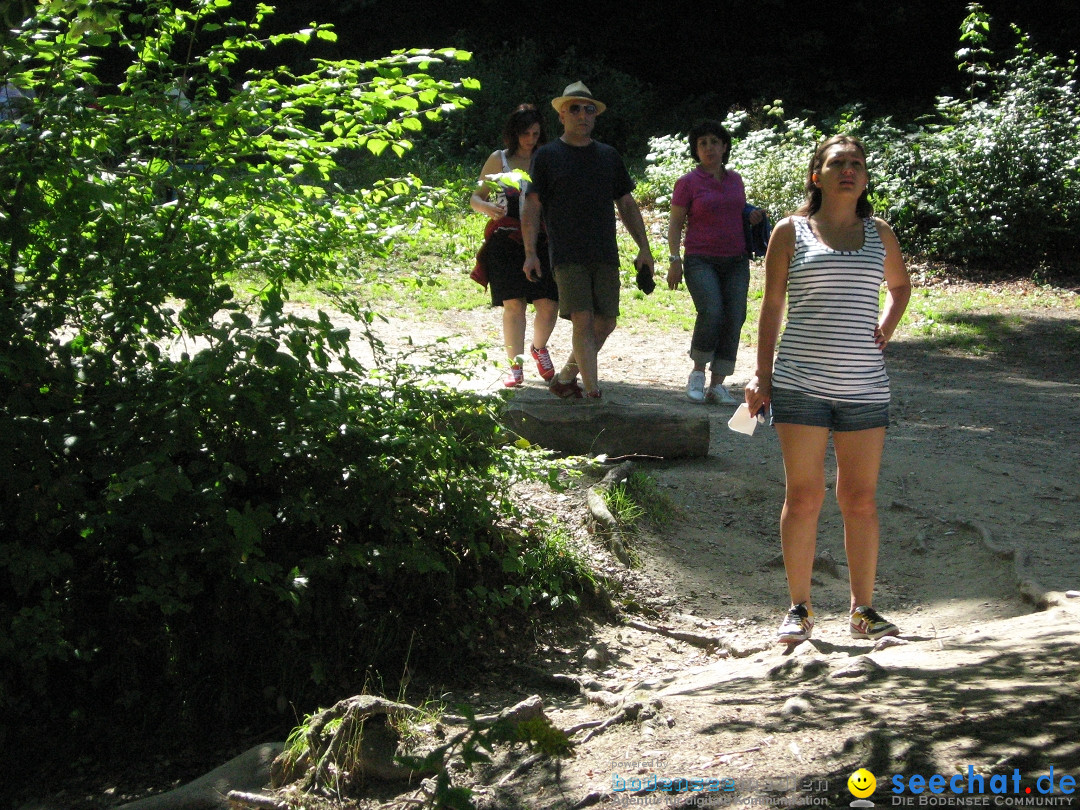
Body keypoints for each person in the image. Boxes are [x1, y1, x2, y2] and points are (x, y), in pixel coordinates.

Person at [744, 134, 911, 645]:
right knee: (805, 495)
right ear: (817, 175)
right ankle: (799, 608)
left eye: (856, 163)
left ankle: (864, 611)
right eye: (837, 163)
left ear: (865, 177)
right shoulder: (790, 232)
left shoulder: (879, 232)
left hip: (865, 387)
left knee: (860, 499)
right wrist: (762, 374)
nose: (848, 170)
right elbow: (772, 306)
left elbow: (900, 287)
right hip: (800, 384)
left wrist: (886, 326)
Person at [521, 81, 654, 400]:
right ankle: (593, 392)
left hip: (605, 253)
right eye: (575, 108)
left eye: (589, 109)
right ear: (562, 115)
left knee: (606, 321)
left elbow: (626, 203)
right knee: (582, 317)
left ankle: (566, 376)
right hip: (566, 254)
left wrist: (645, 247)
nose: (583, 114)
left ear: (595, 116)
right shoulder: (548, 156)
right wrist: (529, 252)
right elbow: (532, 204)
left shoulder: (608, 156)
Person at [666, 120, 767, 405]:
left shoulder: (735, 179)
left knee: (735, 316)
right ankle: (697, 373)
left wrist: (751, 214)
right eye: (703, 143)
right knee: (712, 311)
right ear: (696, 151)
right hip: (700, 259)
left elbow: (735, 210)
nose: (709, 147)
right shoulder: (687, 183)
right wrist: (674, 260)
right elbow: (675, 224)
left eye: (714, 142)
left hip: (736, 260)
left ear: (724, 147)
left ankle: (718, 383)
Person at [470, 104, 560, 387]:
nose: (530, 139)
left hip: (542, 238)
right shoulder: (499, 159)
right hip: (505, 239)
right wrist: (488, 208)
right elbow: (475, 198)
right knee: (513, 305)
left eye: (535, 133)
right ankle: (516, 366)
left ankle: (539, 348)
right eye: (525, 133)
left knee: (548, 303)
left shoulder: (546, 158)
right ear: (514, 133)